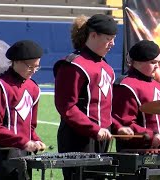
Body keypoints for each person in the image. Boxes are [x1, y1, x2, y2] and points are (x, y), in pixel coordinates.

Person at [53, 14, 133, 180]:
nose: (113, 44)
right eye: (108, 38)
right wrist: (94, 129)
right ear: (93, 35)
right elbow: (66, 107)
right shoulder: (73, 64)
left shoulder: (107, 68)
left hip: (101, 138)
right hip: (78, 138)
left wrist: (117, 126)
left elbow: (105, 109)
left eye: (114, 39)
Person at [0, 40, 46, 180]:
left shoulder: (34, 88)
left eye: (37, 67)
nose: (33, 71)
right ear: (16, 61)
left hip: (24, 153)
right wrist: (23, 142)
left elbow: (30, 126)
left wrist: (35, 140)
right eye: (30, 66)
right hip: (4, 154)